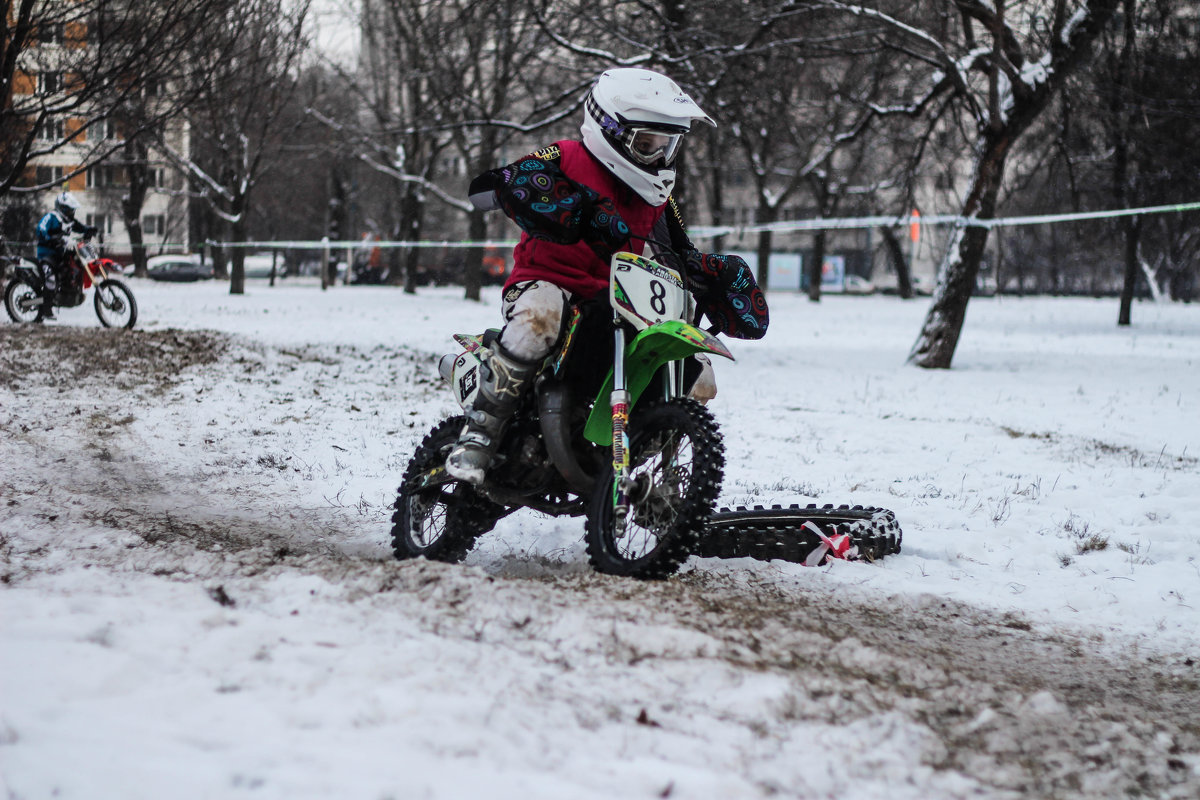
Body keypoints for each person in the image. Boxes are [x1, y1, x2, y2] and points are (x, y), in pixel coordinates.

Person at [446, 67, 769, 485]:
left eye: (667, 145)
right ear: (610, 129)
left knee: (699, 372)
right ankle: (479, 434)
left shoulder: (657, 197)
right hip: (547, 284)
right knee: (540, 317)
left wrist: (714, 275)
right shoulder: (565, 156)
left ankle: (667, 476)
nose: (657, 156)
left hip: (618, 300)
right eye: (647, 143)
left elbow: (678, 251)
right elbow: (490, 186)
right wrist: (567, 203)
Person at [33, 191, 95, 320]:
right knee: (50, 279)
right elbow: (40, 228)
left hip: (61, 252)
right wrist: (49, 238)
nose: (72, 213)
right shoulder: (51, 217)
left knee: (74, 266)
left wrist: (89, 229)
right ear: (62, 208)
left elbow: (80, 227)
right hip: (47, 254)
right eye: (69, 210)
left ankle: (70, 291)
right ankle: (46, 309)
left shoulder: (70, 221)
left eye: (73, 210)